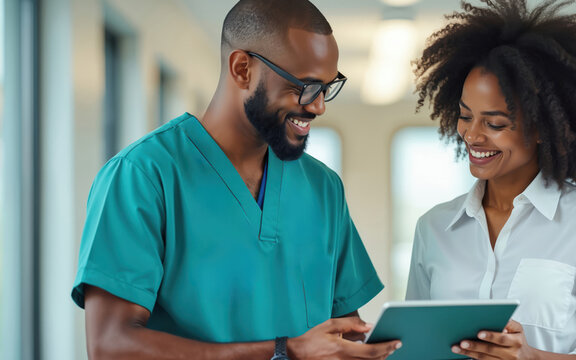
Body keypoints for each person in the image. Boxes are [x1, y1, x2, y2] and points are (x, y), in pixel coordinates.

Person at [71, 1, 401, 359]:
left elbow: (343, 336)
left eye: (327, 87)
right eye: (305, 86)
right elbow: (110, 346)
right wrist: (283, 351)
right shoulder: (142, 176)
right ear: (242, 69)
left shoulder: (324, 189)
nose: (319, 105)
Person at [406, 0, 576, 359]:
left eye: (495, 123)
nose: (472, 135)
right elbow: (416, 347)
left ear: (541, 128)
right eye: (466, 116)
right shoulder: (433, 228)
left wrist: (533, 357)